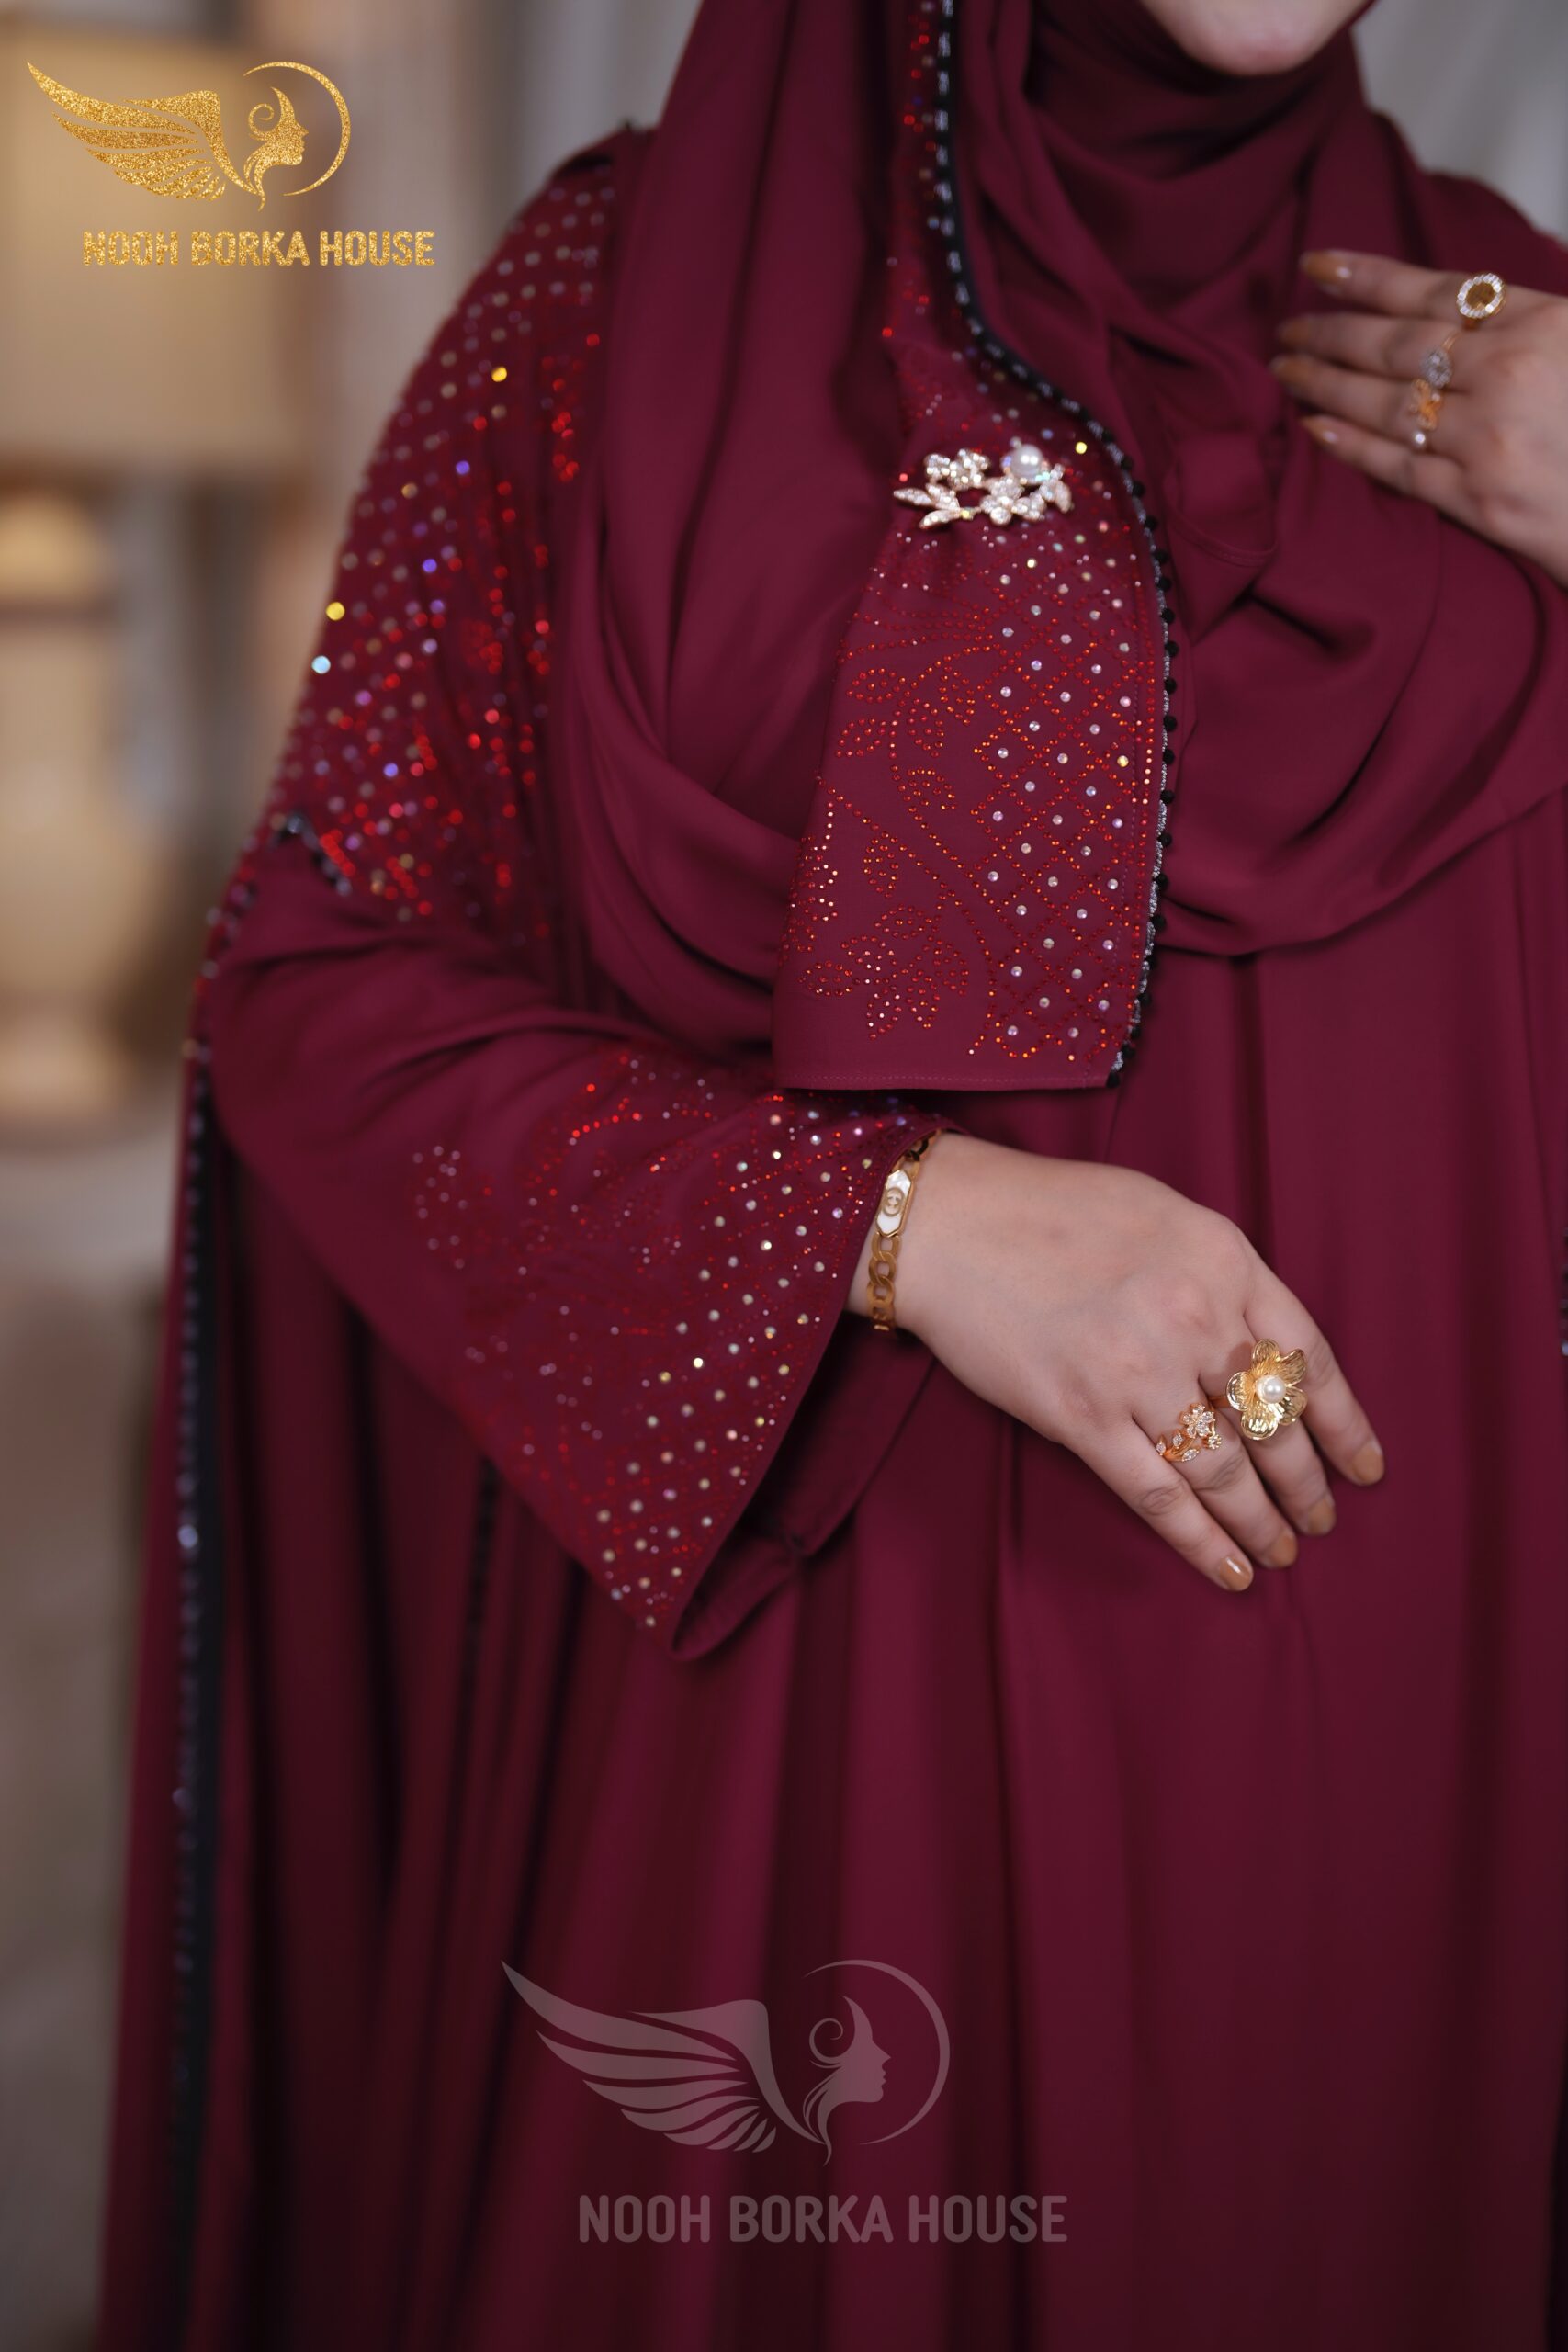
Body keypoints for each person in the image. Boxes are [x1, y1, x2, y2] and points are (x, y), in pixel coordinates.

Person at [100, 0, 1568, 2345]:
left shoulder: (1513, 340)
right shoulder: (629, 300)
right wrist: (895, 1225)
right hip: (822, 1755)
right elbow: (318, 994)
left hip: (1411, 1783)